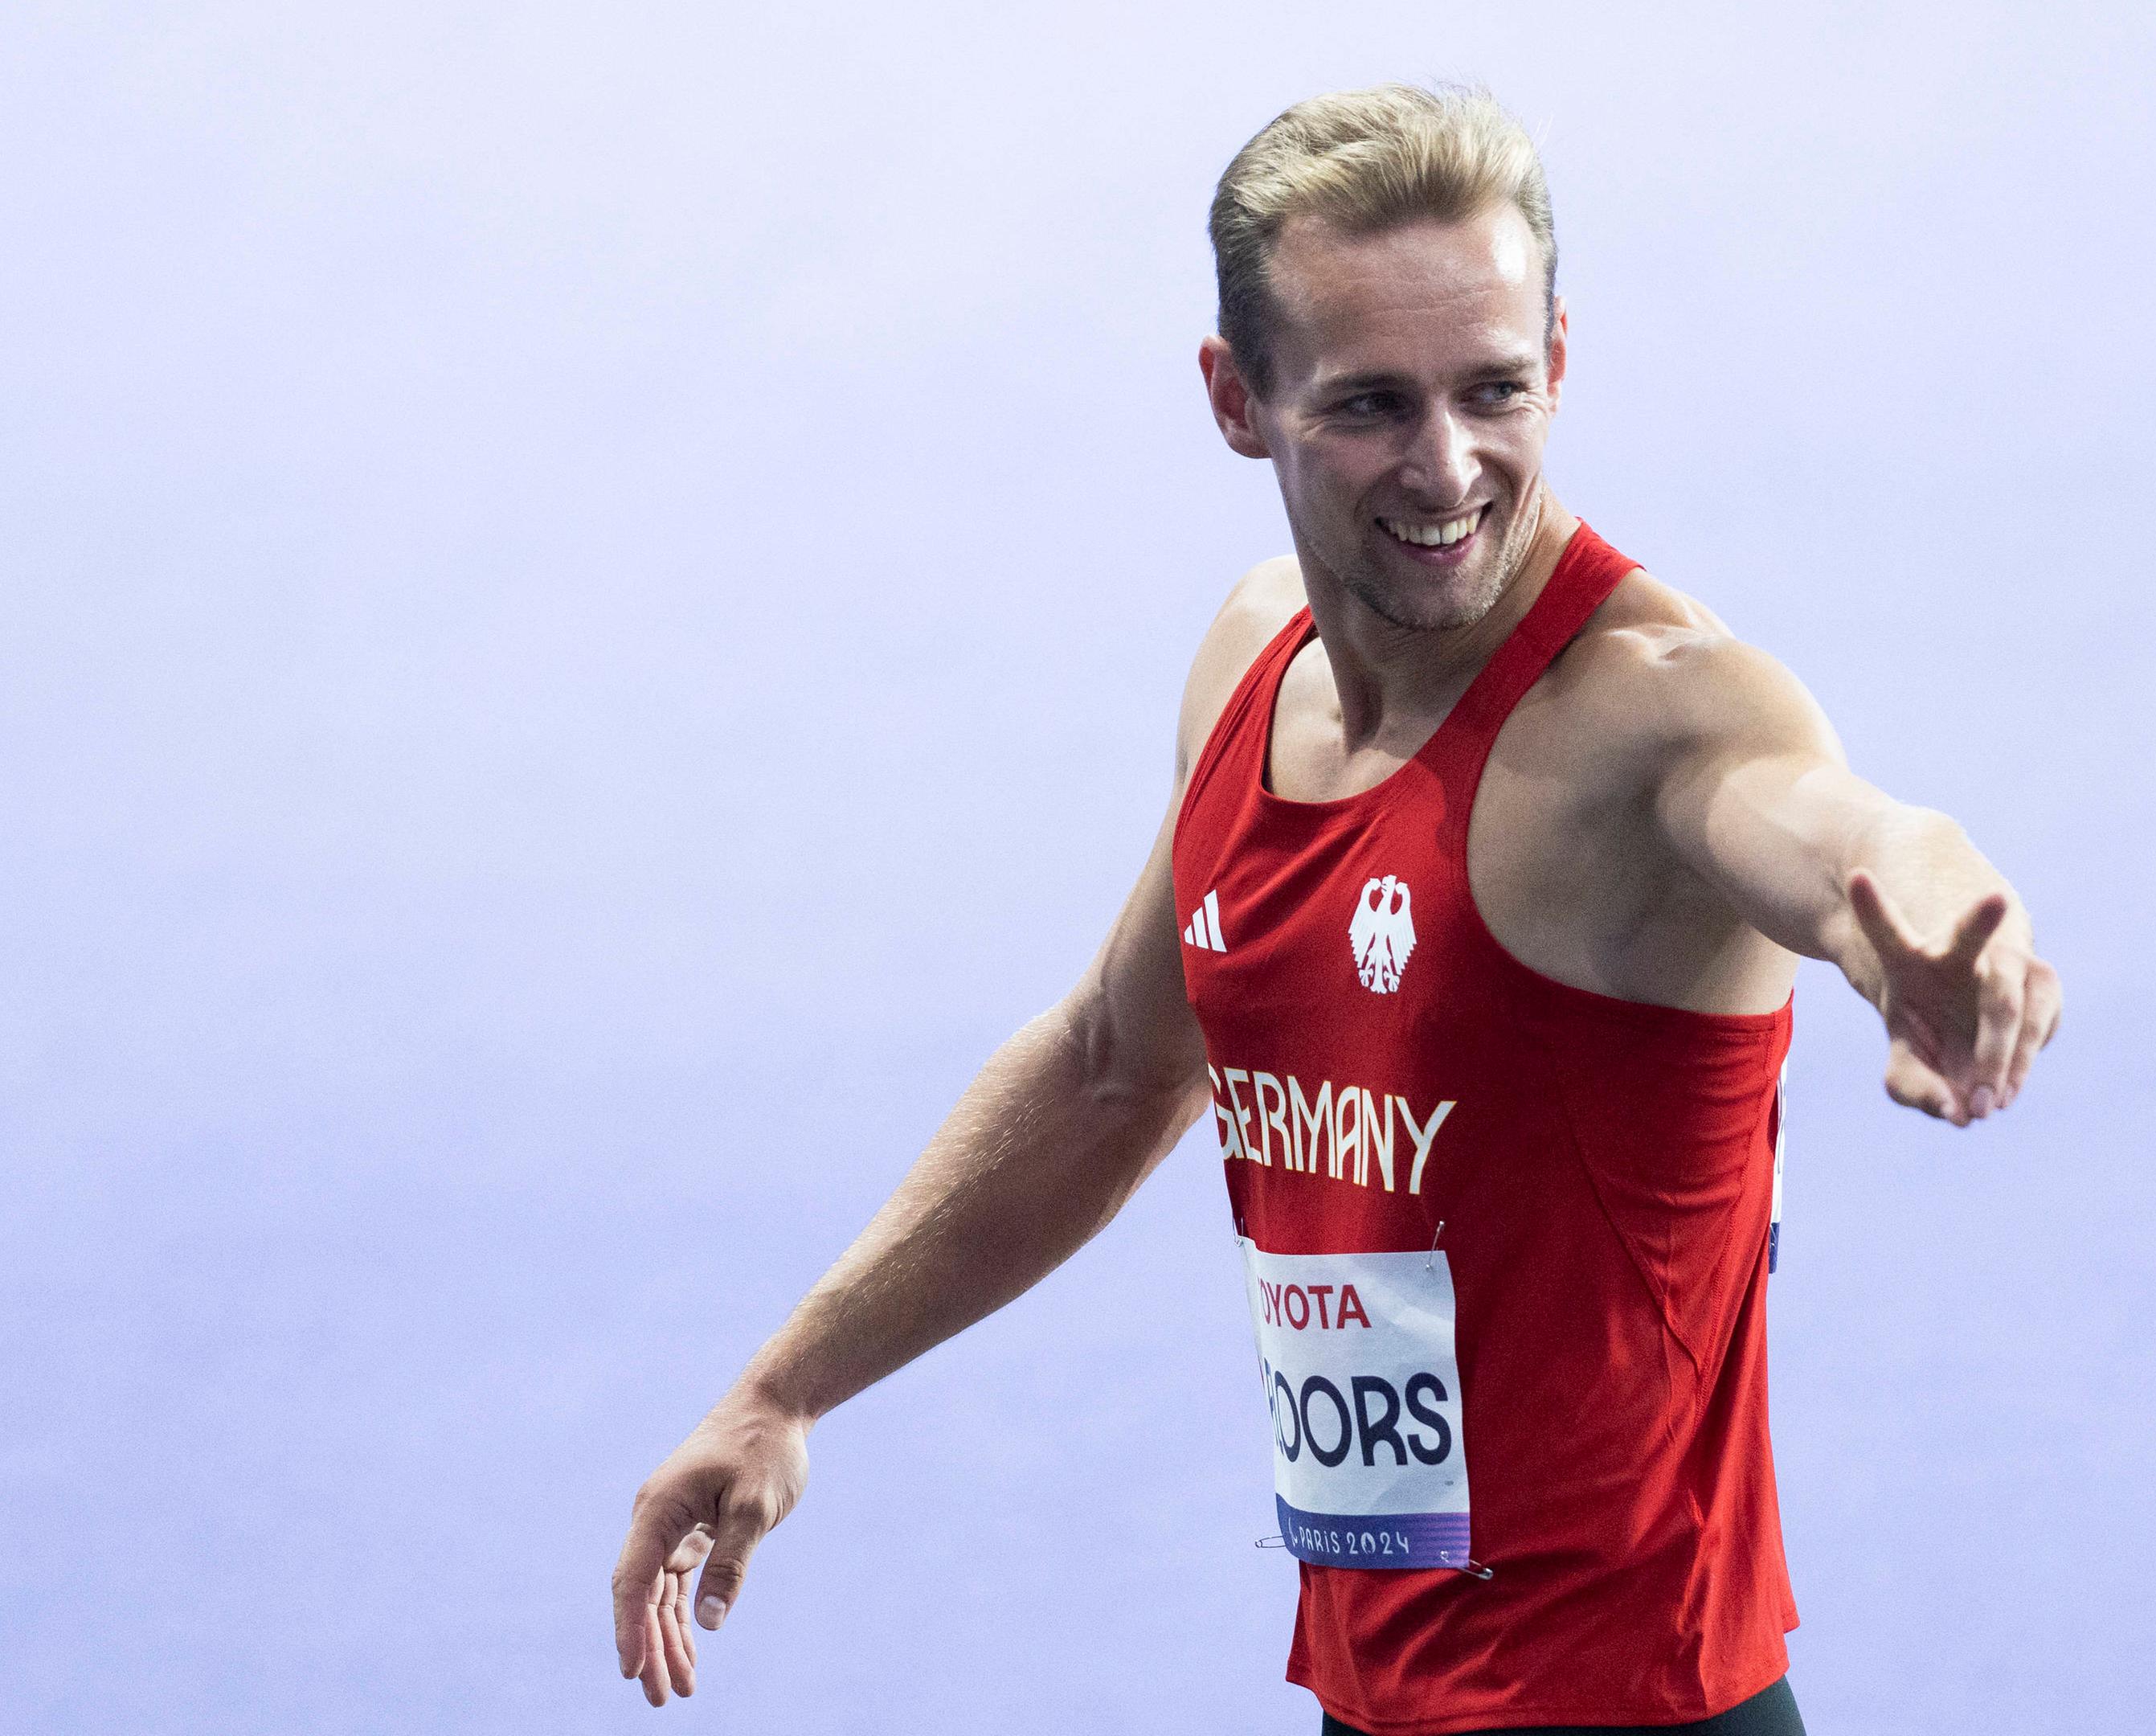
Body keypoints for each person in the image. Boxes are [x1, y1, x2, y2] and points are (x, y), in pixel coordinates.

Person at [611, 83, 2060, 1734]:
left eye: (1495, 391)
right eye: (1372, 406)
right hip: (1374, 1703)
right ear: (1239, 399)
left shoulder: (1652, 717)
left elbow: (1838, 834)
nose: (1447, 470)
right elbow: (1111, 1068)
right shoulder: (1252, 667)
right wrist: (784, 1389)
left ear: (1562, 363)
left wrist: (1943, 928)